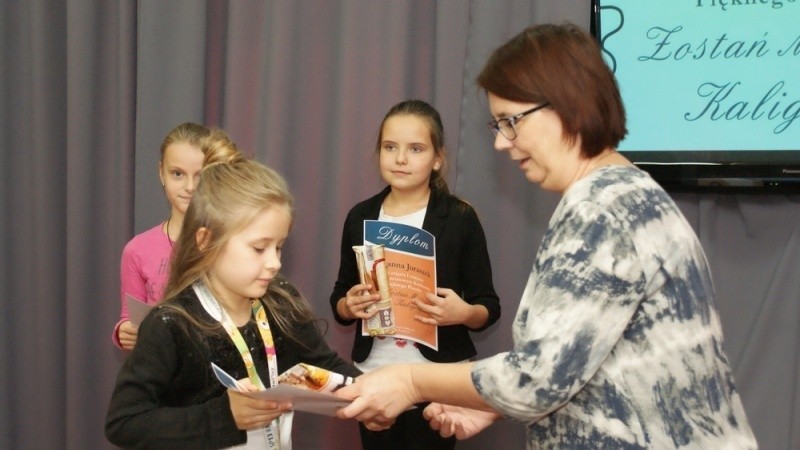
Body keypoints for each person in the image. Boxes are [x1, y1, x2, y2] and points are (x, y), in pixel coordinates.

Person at [335, 23, 757, 449]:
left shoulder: (599, 211)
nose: (502, 142)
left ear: (565, 106)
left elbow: (537, 376)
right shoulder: (633, 194)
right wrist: (495, 403)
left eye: (510, 121)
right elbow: (586, 362)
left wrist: (410, 380)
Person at [106, 152, 361, 449]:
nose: (275, 263)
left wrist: (371, 393)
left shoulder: (280, 303)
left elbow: (322, 365)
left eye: (279, 247)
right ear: (205, 241)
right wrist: (226, 417)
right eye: (259, 248)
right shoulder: (171, 324)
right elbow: (124, 423)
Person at [329, 99, 501, 449]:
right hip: (375, 371)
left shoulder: (459, 218)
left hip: (439, 379)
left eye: (416, 149)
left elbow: (488, 305)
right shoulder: (360, 216)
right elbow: (340, 300)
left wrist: (463, 313)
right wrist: (350, 305)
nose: (401, 158)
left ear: (437, 159)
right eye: (390, 147)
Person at [113, 125, 246, 350]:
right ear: (161, 173)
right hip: (164, 374)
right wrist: (124, 331)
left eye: (201, 175)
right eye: (177, 174)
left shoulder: (233, 243)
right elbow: (129, 317)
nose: (190, 186)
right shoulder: (138, 249)